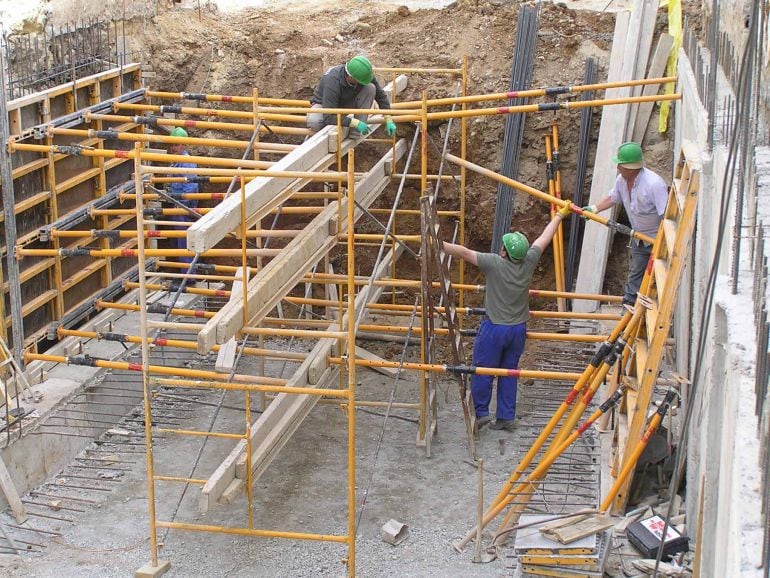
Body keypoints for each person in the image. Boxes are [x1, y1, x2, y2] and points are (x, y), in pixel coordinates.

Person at [442, 203, 573, 431]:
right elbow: (544, 237)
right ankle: (506, 417)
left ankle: (482, 413)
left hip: (495, 329)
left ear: (504, 252)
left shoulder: (494, 264)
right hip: (518, 329)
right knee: (509, 371)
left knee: (483, 370)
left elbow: (464, 253)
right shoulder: (529, 261)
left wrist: (437, 243)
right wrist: (560, 215)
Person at [581, 141, 669, 308]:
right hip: (638, 237)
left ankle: (654, 311)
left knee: (657, 277)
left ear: (630, 168)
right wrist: (594, 209)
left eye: (620, 164)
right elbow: (613, 197)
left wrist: (662, 243)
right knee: (636, 273)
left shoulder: (654, 184)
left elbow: (665, 214)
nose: (617, 167)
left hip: (657, 240)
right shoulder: (622, 180)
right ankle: (629, 308)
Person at [306, 55, 397, 137]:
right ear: (350, 77)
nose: (361, 83)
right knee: (315, 122)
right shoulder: (332, 81)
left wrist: (388, 117)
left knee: (370, 88)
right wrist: (354, 122)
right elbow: (329, 116)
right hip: (324, 105)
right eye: (359, 81)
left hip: (345, 102)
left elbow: (380, 95)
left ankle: (356, 133)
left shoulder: (363, 74)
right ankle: (325, 135)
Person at [167, 126, 199, 264]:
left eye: (177, 145)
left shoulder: (186, 161)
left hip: (184, 207)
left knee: (185, 240)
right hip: (179, 204)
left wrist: (181, 204)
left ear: (184, 145)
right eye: (172, 145)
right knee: (181, 240)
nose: (174, 148)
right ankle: (185, 272)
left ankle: (188, 275)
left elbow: (191, 186)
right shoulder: (177, 161)